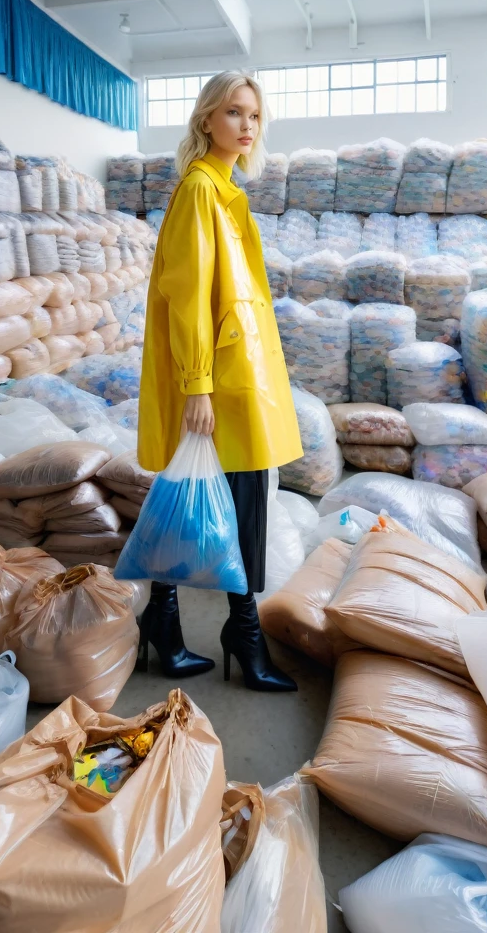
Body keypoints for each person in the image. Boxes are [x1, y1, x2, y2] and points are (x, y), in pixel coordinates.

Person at [137, 71, 303, 692]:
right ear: (207, 118)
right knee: (231, 501)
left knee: (215, 498)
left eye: (254, 116)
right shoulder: (200, 192)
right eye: (234, 113)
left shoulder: (224, 190)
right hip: (221, 380)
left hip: (239, 373)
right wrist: (197, 386)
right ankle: (244, 633)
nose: (247, 126)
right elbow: (187, 299)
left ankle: (166, 616)